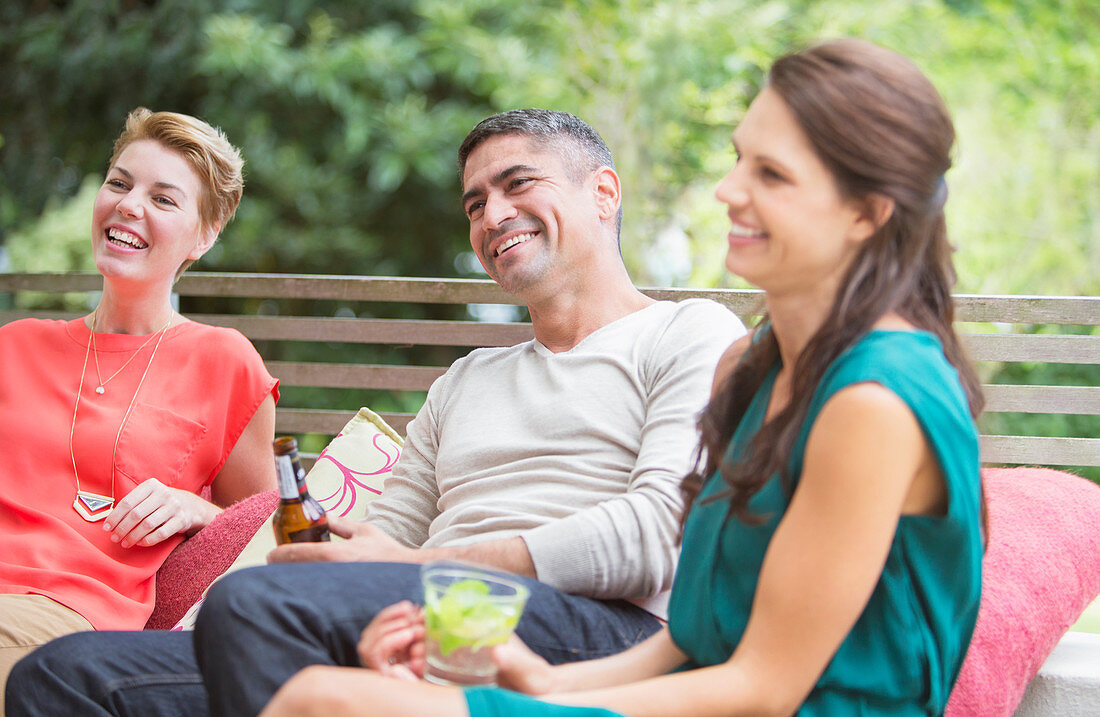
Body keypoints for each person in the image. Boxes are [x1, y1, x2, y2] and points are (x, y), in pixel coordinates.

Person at [258, 38, 987, 717]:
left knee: (325, 700)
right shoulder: (753, 369)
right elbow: (694, 637)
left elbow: (764, 685)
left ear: (867, 212)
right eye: (739, 159)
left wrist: (539, 702)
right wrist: (541, 680)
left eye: (771, 174)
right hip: (664, 688)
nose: (728, 190)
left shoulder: (874, 401)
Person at [7, 109, 744, 716]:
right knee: (61, 674)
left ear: (605, 192)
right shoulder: (466, 379)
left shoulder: (689, 332)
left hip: (595, 629)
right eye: (475, 202)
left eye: (519, 184)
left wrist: (418, 566)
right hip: (427, 614)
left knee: (255, 603)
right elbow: (384, 537)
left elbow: (657, 535)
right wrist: (330, 557)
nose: (493, 214)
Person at [0, 108, 278, 709]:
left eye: (164, 198)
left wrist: (196, 509)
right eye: (120, 183)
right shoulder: (13, 345)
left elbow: (263, 527)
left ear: (203, 237)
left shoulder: (223, 360)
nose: (128, 205)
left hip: (67, 618)